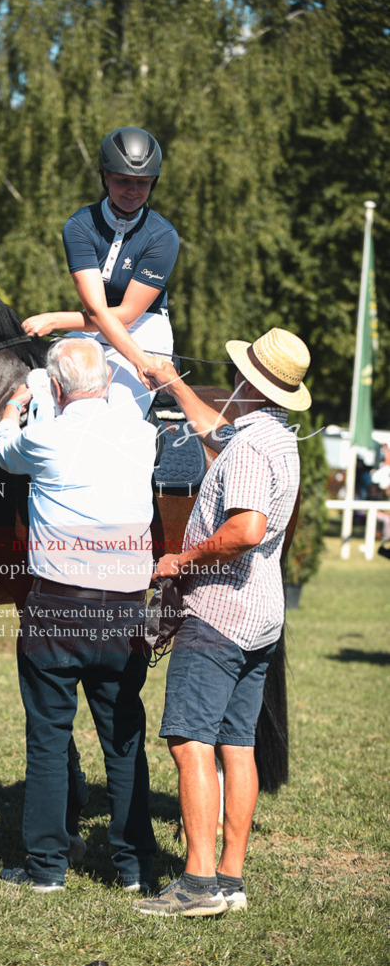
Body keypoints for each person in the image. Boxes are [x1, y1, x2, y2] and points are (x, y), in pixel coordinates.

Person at [134, 326, 310, 918]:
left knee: (190, 744)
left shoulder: (252, 450)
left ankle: (197, 883)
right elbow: (216, 433)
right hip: (262, 615)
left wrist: (180, 559)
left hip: (218, 614)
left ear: (246, 382)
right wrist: (174, 381)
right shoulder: (276, 438)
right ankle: (230, 878)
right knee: (237, 745)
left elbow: (246, 530)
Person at [0, 337, 158, 893]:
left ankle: (46, 869)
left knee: (46, 738)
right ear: (108, 386)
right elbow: (117, 402)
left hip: (57, 607)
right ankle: (133, 867)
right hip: (124, 609)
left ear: (58, 388)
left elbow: (2, 447)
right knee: (124, 740)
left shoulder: (44, 436)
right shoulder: (141, 432)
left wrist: (21, 403)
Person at [22, 126, 179, 419]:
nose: (133, 191)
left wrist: (54, 320)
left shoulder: (163, 236)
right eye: (123, 180)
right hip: (91, 324)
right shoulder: (79, 226)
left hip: (145, 328)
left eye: (142, 182)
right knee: (38, 392)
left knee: (120, 414)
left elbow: (129, 315)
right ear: (105, 176)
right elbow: (96, 309)